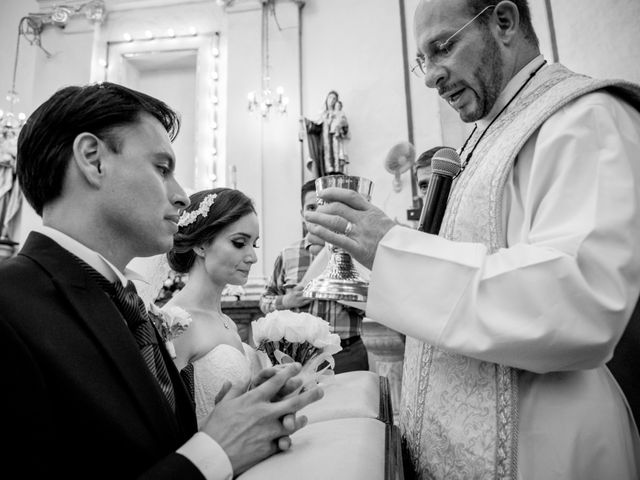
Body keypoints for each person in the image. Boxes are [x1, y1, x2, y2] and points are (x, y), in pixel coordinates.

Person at [304, 0, 640, 478]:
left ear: (503, 21)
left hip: (544, 446)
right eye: (422, 60)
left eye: (442, 47)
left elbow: (580, 300)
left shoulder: (584, 117)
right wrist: (379, 248)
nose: (430, 77)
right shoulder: (484, 139)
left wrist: (394, 250)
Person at [0, 82, 322, 479]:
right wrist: (215, 452)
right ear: (93, 159)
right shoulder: (10, 307)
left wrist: (237, 420)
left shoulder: (129, 304)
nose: (183, 197)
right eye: (162, 168)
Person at [162, 187, 265, 426]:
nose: (252, 257)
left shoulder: (225, 320)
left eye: (254, 245)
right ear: (200, 245)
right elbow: (168, 421)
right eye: (239, 243)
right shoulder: (176, 323)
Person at [260, 178, 369, 374]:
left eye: (324, 206)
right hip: (299, 356)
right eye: (311, 206)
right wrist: (285, 300)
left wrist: (346, 294)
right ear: (303, 214)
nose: (318, 213)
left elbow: (373, 306)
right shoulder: (287, 255)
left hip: (347, 353)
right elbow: (264, 301)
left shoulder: (355, 254)